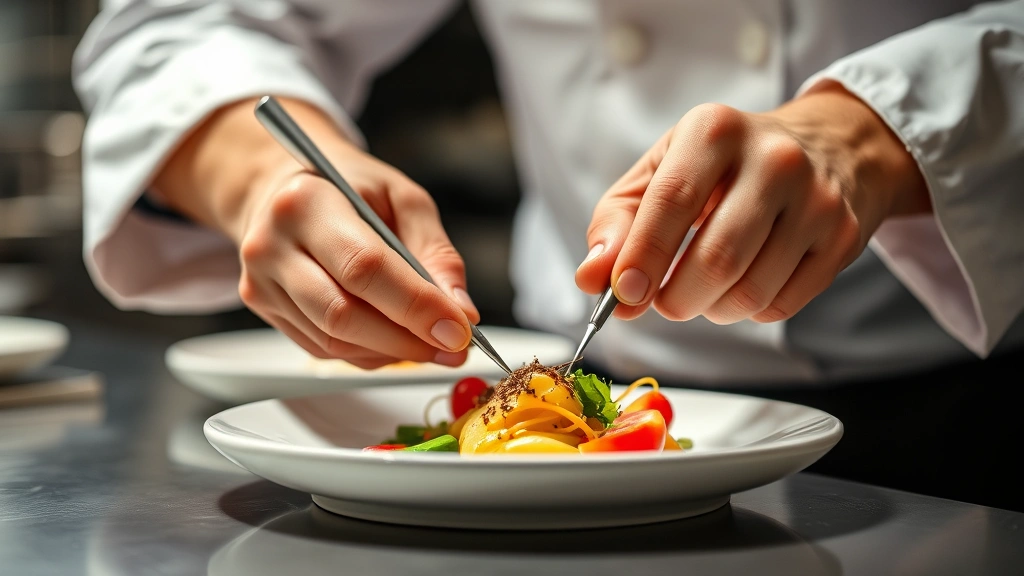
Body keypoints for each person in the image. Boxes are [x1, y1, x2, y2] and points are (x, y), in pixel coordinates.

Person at [72, 1, 1023, 509]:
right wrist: (257, 174)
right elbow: (184, 20)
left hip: (978, 412)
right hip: (557, 447)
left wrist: (877, 133)